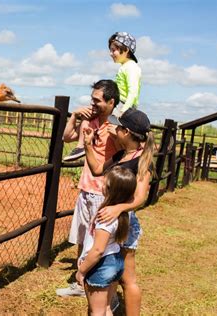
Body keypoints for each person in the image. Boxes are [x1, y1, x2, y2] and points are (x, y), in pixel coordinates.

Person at [83, 108, 155, 316]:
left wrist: (118, 208)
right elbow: (97, 169)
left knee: (128, 279)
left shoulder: (142, 160)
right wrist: (88, 144)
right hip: (115, 220)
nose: (114, 128)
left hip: (124, 221)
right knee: (114, 272)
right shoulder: (122, 155)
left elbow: (140, 197)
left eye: (119, 126)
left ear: (127, 132)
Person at [56, 79, 120, 298]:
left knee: (98, 240)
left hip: (104, 192)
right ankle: (81, 279)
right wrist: (73, 117)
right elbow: (66, 137)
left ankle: (93, 282)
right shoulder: (88, 120)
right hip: (85, 188)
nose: (92, 104)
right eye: (91, 99)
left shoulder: (116, 127)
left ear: (111, 102)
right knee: (83, 236)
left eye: (97, 100)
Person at [63, 31, 141, 162]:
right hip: (121, 103)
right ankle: (82, 144)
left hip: (122, 104)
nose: (111, 54)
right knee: (89, 115)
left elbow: (133, 91)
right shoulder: (125, 67)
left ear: (126, 50)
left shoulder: (131, 67)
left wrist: (123, 110)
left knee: (113, 130)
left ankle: (82, 146)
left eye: (114, 50)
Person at [76, 166, 136, 315]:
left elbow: (98, 250)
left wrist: (82, 271)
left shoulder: (105, 218)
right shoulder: (122, 214)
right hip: (116, 262)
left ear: (109, 189)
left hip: (102, 265)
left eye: (104, 182)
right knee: (107, 308)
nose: (101, 184)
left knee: (96, 311)